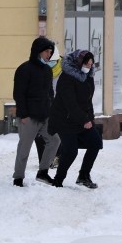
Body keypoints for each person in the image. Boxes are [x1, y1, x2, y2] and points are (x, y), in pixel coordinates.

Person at [48, 50, 103, 188]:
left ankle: (83, 175)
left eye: (91, 65)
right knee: (71, 151)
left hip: (81, 118)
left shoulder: (88, 76)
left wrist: (90, 118)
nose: (89, 67)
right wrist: (84, 120)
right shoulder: (66, 78)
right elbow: (70, 104)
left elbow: (88, 100)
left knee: (95, 142)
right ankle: (58, 180)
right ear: (79, 63)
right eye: (87, 64)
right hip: (64, 120)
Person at [12, 36, 60, 187]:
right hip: (29, 117)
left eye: (50, 52)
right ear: (38, 51)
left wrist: (51, 111)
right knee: (24, 148)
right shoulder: (24, 69)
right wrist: (23, 114)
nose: (49, 54)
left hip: (45, 116)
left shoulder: (47, 70)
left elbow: (50, 92)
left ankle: (43, 172)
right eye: (46, 51)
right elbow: (18, 94)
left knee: (55, 140)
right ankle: (18, 177)